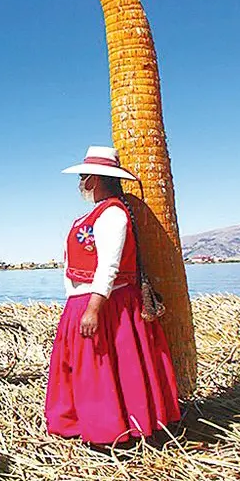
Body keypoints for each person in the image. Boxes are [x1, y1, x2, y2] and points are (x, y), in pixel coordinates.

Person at [45, 146, 181, 446]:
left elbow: (109, 265)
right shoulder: (91, 215)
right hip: (82, 301)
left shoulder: (113, 215)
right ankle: (83, 421)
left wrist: (93, 309)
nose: (80, 182)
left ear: (93, 179)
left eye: (83, 177)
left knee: (103, 366)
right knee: (83, 367)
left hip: (108, 304)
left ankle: (111, 429)